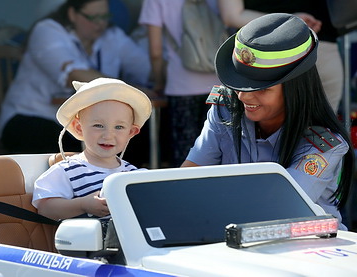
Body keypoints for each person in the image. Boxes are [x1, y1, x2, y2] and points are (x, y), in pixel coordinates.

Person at [181, 13, 354, 230]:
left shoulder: (324, 146)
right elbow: (187, 177)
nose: (244, 97)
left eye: (261, 89)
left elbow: (273, 209)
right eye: (239, 84)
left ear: (295, 89)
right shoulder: (226, 109)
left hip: (309, 252)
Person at [0, 0, 152, 154]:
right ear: (72, 14)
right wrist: (128, 91)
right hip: (31, 117)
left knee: (138, 138)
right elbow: (74, 75)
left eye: (105, 16)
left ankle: (123, 177)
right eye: (93, 17)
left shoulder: (112, 36)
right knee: (86, 146)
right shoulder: (47, 31)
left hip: (84, 125)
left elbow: (146, 68)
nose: (101, 23)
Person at [32, 77, 152, 220]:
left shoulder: (132, 173)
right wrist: (82, 205)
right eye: (98, 125)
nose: (108, 135)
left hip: (128, 240)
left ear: (131, 133)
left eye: (119, 127)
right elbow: (46, 209)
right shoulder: (67, 170)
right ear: (79, 128)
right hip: (87, 241)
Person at [218, 0, 344, 113]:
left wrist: (289, 22)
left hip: (263, 62)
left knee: (260, 133)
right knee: (322, 130)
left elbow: (232, 15)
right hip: (319, 49)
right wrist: (291, 22)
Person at [138, 0, 222, 167]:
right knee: (218, 147)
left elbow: (156, 52)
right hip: (218, 83)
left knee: (186, 152)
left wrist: (159, 82)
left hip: (181, 87)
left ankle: (186, 191)